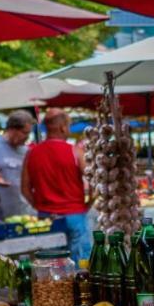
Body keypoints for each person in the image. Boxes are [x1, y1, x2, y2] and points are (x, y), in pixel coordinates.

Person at [20, 109, 92, 264]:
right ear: (63, 127)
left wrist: (39, 205)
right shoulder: (75, 151)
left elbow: (25, 189)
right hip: (75, 215)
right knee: (81, 265)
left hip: (46, 218)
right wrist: (88, 203)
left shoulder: (32, 153)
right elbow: (94, 181)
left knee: (51, 266)